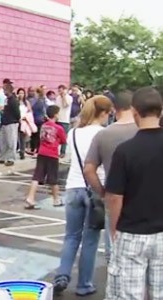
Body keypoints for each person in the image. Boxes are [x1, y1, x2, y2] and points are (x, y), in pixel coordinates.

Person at [103, 87, 163, 300]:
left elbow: (114, 196)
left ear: (135, 112)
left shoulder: (126, 151)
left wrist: (114, 228)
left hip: (132, 232)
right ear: (161, 112)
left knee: (128, 294)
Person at [52, 96, 113, 296]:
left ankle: (62, 274)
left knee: (71, 236)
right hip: (96, 188)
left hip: (73, 187)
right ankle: (84, 284)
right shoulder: (105, 134)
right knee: (90, 239)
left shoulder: (74, 132)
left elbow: (69, 159)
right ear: (103, 113)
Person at [83, 91, 136, 263]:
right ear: (134, 108)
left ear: (115, 109)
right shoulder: (144, 133)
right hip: (143, 199)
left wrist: (102, 192)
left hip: (113, 196)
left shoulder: (104, 135)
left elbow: (88, 170)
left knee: (113, 253)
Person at [24, 105, 66, 209]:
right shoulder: (58, 128)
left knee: (37, 176)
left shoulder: (43, 125)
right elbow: (64, 140)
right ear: (56, 114)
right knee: (53, 178)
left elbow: (41, 137)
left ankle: (30, 197)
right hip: (52, 154)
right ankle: (56, 199)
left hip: (42, 152)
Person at [0, 84, 20, 166]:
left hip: (11, 123)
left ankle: (11, 159)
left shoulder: (13, 100)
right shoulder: (7, 100)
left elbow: (17, 113)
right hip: (5, 122)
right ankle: (3, 157)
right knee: (4, 142)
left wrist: (16, 120)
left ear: (8, 90)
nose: (3, 91)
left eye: (4, 90)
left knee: (11, 142)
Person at [56, 85, 73, 159]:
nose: (60, 92)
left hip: (65, 120)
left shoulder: (69, 98)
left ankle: (63, 152)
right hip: (58, 119)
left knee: (64, 137)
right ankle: (56, 150)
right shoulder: (57, 98)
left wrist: (63, 97)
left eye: (62, 90)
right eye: (59, 90)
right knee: (56, 137)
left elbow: (65, 105)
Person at [16, 88, 33, 159]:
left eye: (22, 93)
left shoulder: (26, 102)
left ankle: (22, 152)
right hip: (17, 120)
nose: (21, 95)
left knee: (22, 137)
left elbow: (30, 111)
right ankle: (16, 149)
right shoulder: (16, 102)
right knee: (15, 137)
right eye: (20, 93)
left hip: (24, 121)